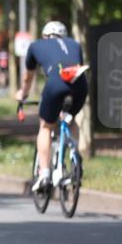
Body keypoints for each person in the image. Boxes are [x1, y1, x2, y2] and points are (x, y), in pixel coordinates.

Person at [15, 20, 89, 193]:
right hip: (80, 84)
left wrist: (23, 93)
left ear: (45, 36)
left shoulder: (35, 46)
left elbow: (28, 77)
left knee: (46, 126)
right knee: (70, 120)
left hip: (56, 82)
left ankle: (45, 174)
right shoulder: (75, 45)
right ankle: (74, 156)